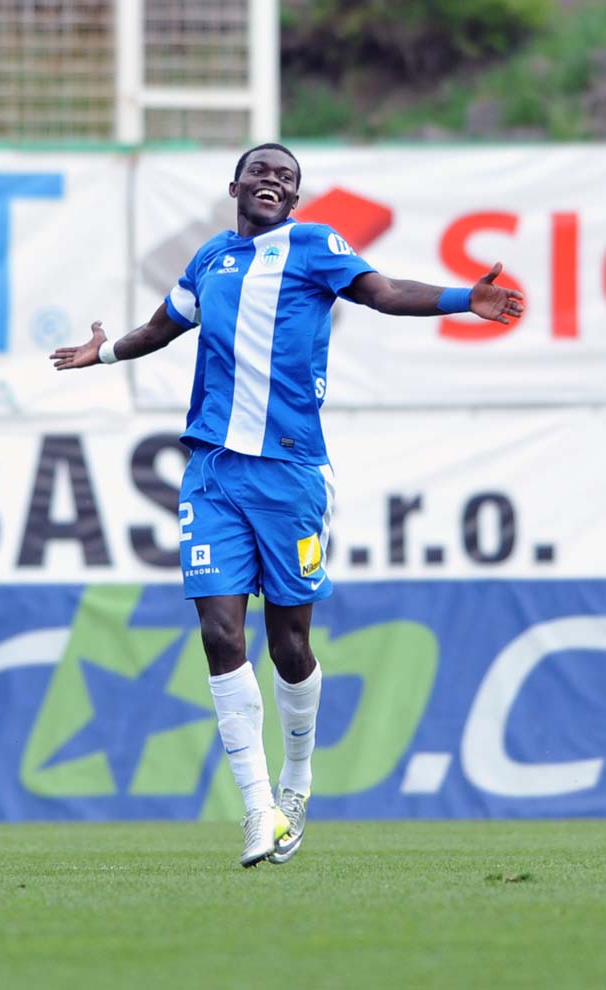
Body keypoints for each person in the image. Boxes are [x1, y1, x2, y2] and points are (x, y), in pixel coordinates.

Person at [50, 142, 524, 867]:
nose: (273, 180)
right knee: (219, 633)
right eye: (261, 171)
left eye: (286, 177)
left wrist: (465, 298)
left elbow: (383, 291)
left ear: (296, 198)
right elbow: (163, 326)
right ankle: (258, 809)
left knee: (289, 646)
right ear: (235, 186)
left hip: (291, 474)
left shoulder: (313, 245)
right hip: (212, 471)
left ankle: (296, 783)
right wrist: (107, 353)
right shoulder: (210, 259)